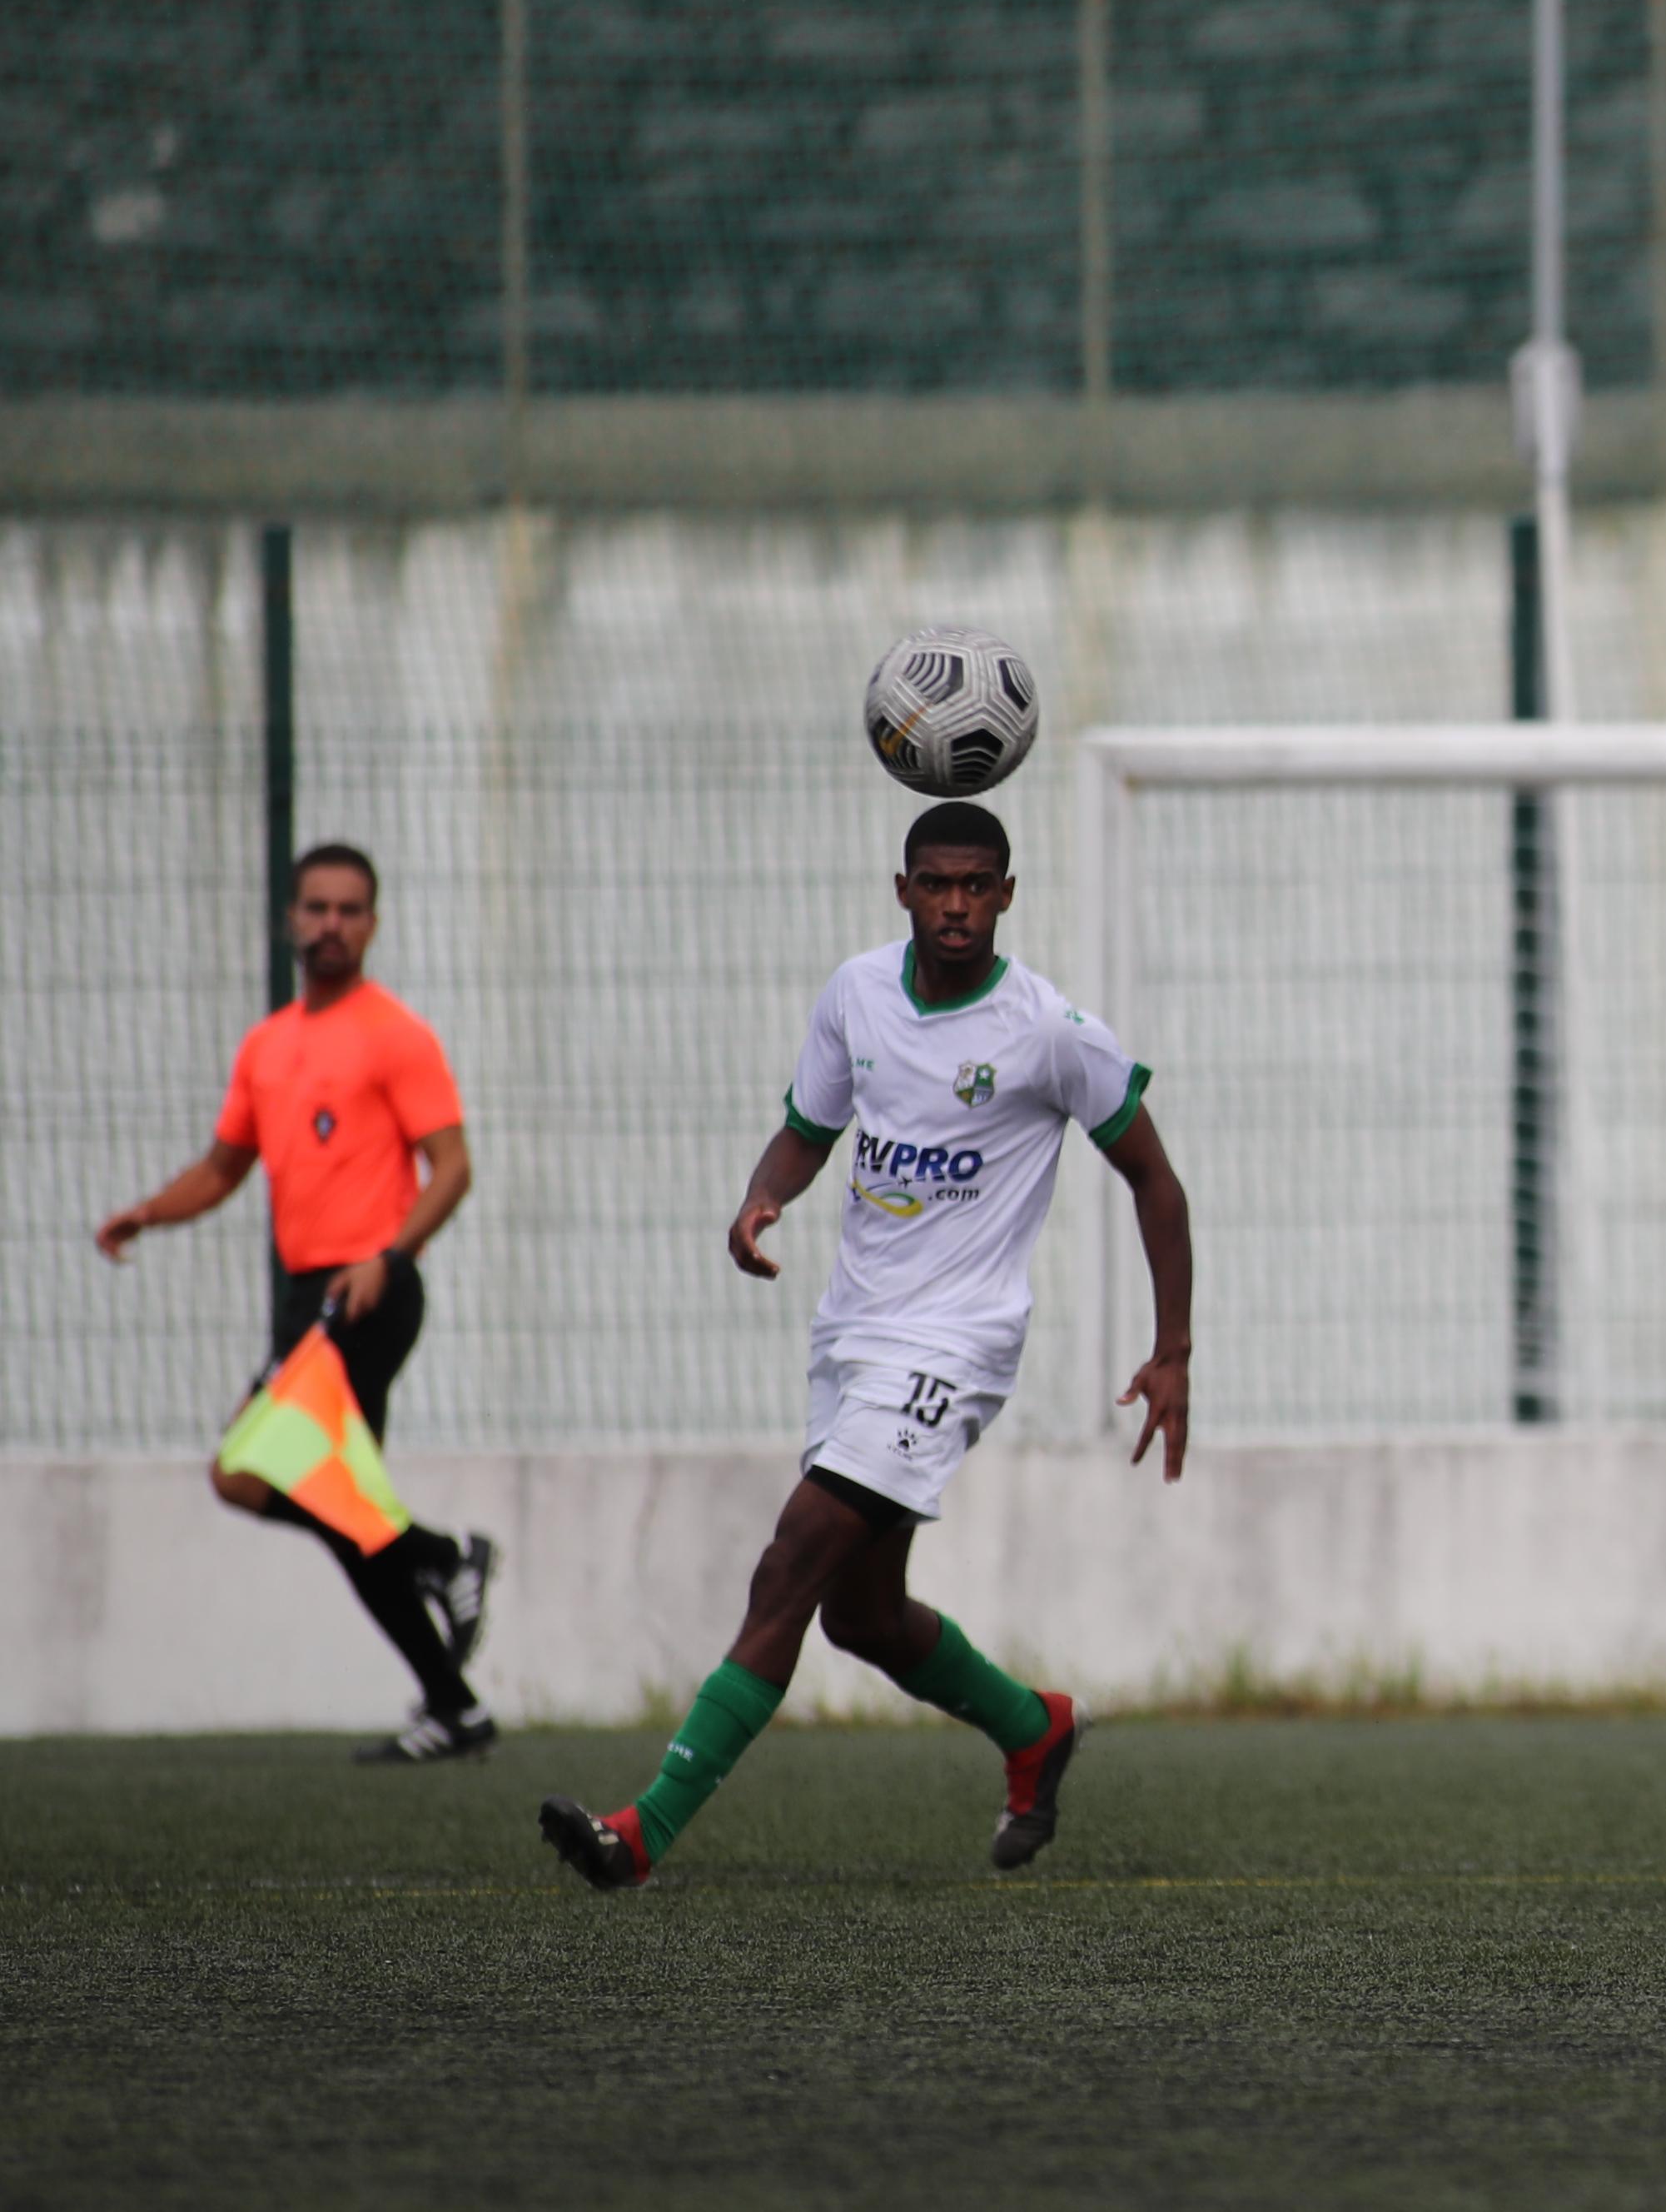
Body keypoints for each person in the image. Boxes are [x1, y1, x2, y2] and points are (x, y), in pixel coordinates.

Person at [539, 800, 1193, 1890]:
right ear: (903, 891)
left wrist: (1171, 1352)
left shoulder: (1048, 1032)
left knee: (789, 1562)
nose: (956, 905)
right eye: (936, 884)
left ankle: (641, 1832)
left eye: (977, 886)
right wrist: (761, 1199)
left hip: (956, 1345)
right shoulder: (856, 994)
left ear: (1008, 895)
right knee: (862, 1616)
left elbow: (1154, 1180)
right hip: (853, 1337)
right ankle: (1034, 1729)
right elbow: (810, 1128)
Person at [96, 842, 499, 1762]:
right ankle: (450, 1675)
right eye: (316, 908)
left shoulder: (395, 1034)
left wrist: (387, 1257)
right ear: (290, 918)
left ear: (374, 923)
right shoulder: (268, 1046)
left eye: (349, 910)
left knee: (251, 1473)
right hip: (303, 1301)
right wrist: (148, 1214)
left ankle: (439, 1574)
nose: (330, 926)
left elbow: (454, 1169)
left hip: (366, 1295)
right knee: (336, 1506)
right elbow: (225, 1167)